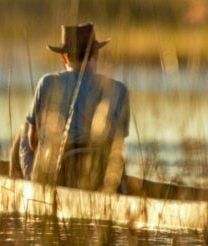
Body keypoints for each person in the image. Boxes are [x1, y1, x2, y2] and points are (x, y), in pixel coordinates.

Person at [8, 23, 130, 193]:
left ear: (64, 58)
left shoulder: (47, 82)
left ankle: (25, 191)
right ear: (96, 54)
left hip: (58, 177)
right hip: (101, 178)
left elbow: (32, 140)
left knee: (25, 130)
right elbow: (117, 147)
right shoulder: (119, 89)